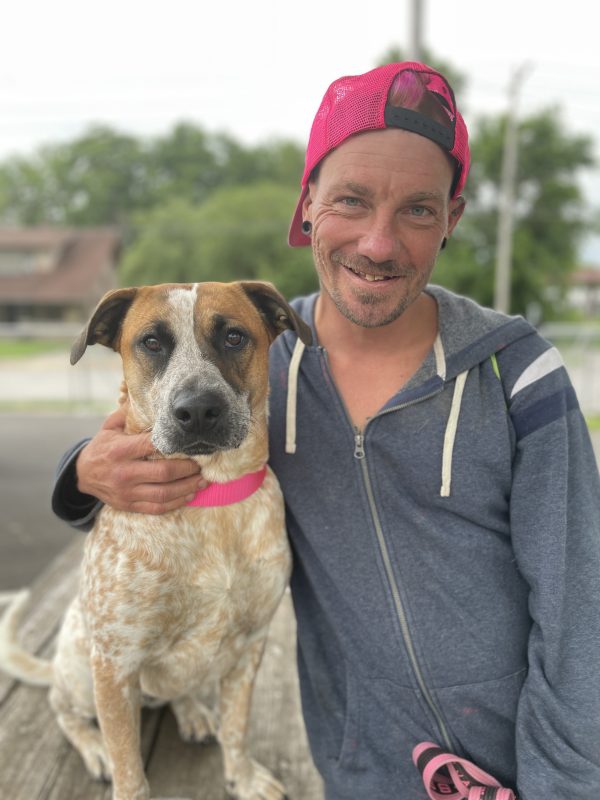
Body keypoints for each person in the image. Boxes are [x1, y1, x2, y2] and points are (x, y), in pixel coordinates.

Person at [52, 62, 600, 799]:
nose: (378, 243)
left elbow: (580, 610)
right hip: (365, 769)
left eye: (417, 209)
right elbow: (138, 425)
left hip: (526, 761)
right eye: (350, 200)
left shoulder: (516, 373)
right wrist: (79, 471)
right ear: (308, 204)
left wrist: (563, 782)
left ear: (453, 218)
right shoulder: (254, 363)